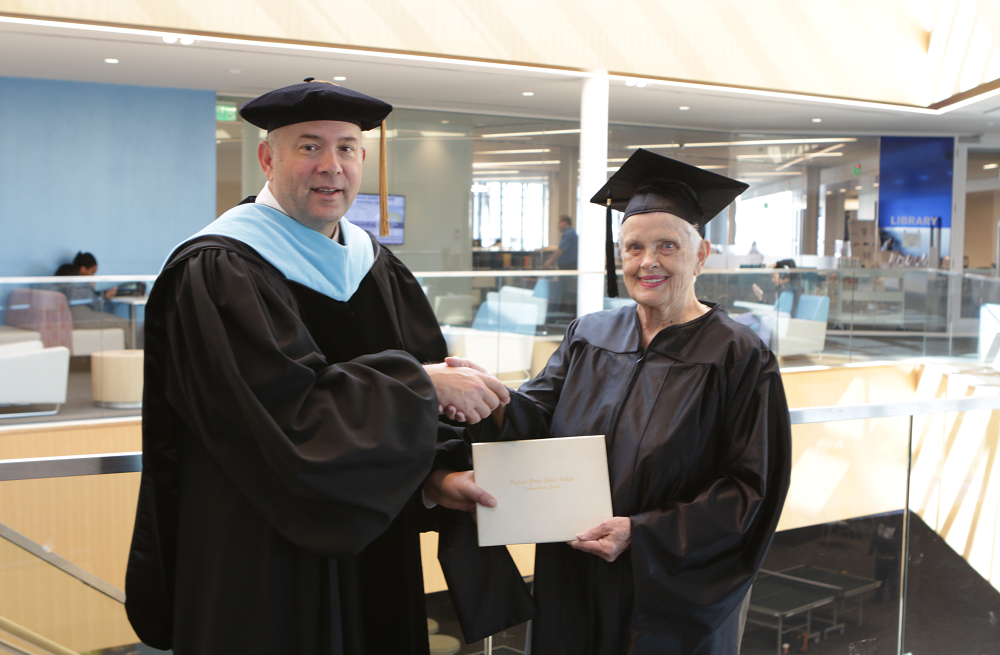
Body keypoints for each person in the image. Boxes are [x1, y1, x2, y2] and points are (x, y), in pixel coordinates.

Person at [124, 79, 512, 655]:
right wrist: (422, 384)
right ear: (267, 158)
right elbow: (283, 417)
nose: (332, 166)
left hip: (377, 544)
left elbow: (419, 418)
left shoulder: (376, 266)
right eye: (309, 146)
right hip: (263, 554)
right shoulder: (218, 270)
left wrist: (435, 476)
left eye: (348, 147)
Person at [428, 149, 792, 654]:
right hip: (573, 570)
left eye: (668, 246)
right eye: (634, 247)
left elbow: (750, 488)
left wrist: (641, 533)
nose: (649, 262)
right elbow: (538, 413)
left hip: (666, 589)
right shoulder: (591, 333)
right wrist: (489, 396)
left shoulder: (738, 355)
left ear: (701, 253)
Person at [54, 252, 133, 347]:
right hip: (80, 318)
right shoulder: (80, 283)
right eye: (92, 272)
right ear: (83, 269)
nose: (93, 276)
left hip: (68, 317)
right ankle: (134, 356)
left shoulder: (67, 278)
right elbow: (97, 306)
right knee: (123, 322)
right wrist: (103, 295)